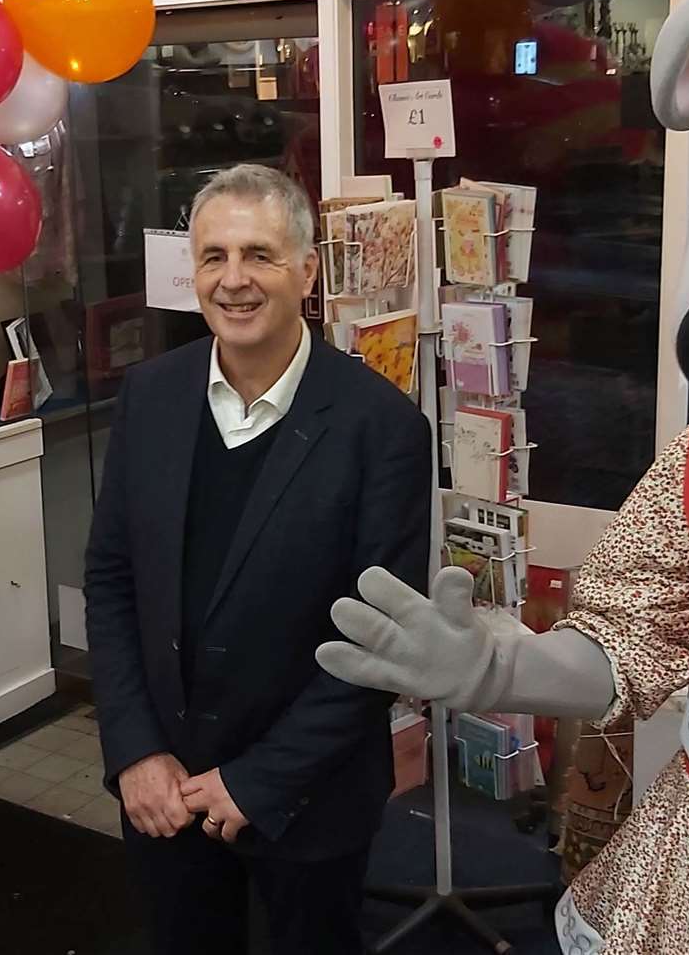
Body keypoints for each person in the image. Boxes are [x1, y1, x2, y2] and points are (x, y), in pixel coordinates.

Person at [84, 164, 432, 955]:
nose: (234, 280)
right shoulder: (151, 397)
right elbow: (111, 581)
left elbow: (382, 642)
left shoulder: (382, 428)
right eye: (214, 257)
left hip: (311, 801)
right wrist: (134, 750)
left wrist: (263, 778)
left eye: (259, 255)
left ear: (307, 270)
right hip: (164, 790)